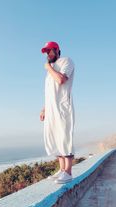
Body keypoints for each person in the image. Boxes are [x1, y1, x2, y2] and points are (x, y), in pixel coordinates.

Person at [40, 41, 75, 184]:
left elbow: (61, 80)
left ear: (57, 50)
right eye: (46, 52)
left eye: (50, 51)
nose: (48, 54)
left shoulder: (66, 61)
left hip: (62, 107)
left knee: (64, 137)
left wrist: (48, 67)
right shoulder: (51, 71)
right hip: (52, 109)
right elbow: (50, 93)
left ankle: (68, 172)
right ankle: (61, 170)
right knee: (55, 137)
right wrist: (44, 109)